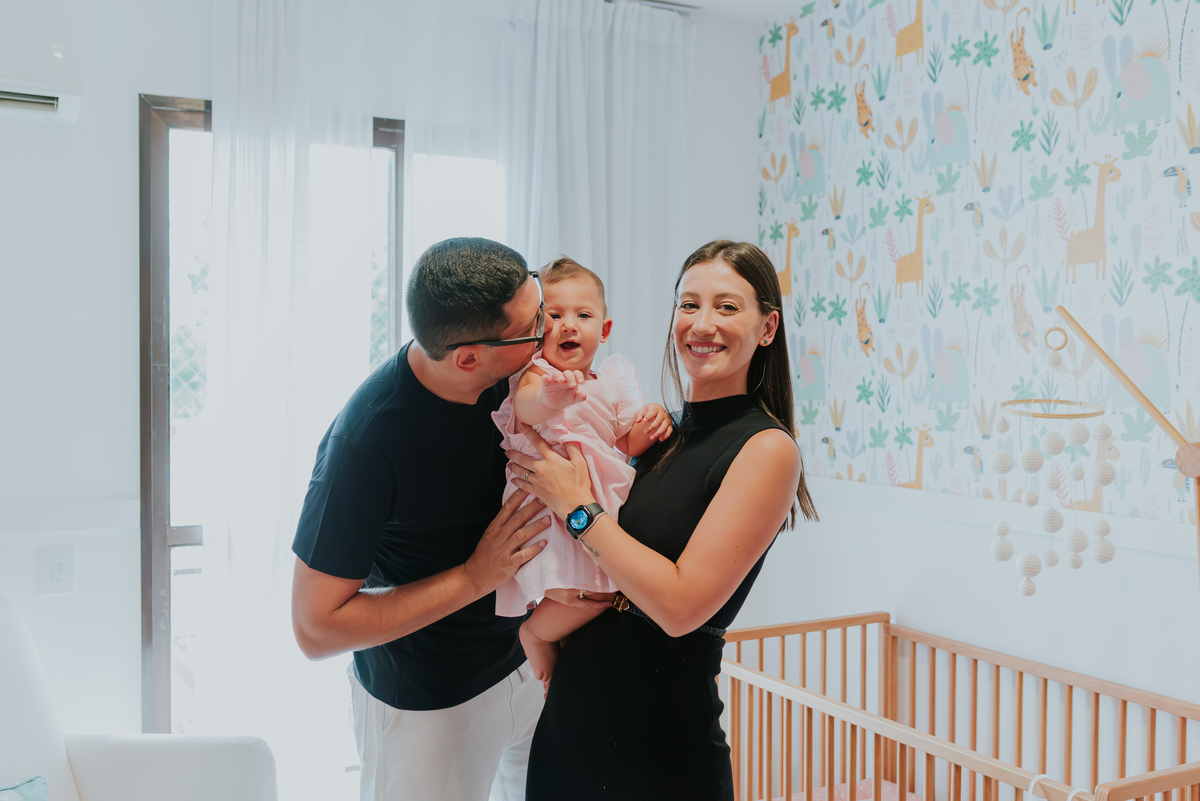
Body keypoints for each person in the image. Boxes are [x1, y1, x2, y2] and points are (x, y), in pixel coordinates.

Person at [507, 240, 819, 800]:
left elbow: (678, 609)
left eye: (727, 306)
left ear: (767, 328)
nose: (702, 324)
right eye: (688, 305)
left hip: (659, 756)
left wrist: (576, 506)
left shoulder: (766, 448)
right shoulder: (659, 434)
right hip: (569, 736)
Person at [290, 237, 555, 801]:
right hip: (428, 706)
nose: (550, 333)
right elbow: (315, 628)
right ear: (467, 357)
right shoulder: (365, 444)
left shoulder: (516, 380)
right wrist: (473, 577)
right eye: (535, 326)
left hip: (526, 665)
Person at [492, 257, 673, 684]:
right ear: (538, 327)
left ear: (604, 330)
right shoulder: (538, 374)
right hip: (546, 509)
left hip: (596, 502)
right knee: (587, 592)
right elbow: (526, 407)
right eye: (555, 315)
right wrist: (553, 399)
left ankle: (558, 642)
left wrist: (655, 420)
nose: (569, 324)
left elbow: (627, 442)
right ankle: (535, 635)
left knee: (606, 591)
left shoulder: (611, 381)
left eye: (583, 315)